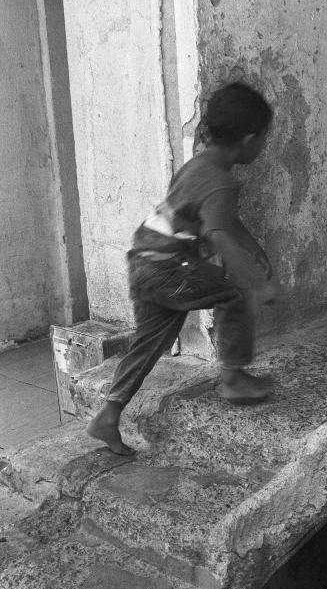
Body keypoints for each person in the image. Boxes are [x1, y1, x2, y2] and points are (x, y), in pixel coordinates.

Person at [87, 81, 282, 455]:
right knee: (236, 291)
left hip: (144, 260)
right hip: (169, 267)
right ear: (249, 139)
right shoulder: (220, 181)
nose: (264, 145)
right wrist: (258, 283)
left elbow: (226, 222)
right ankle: (234, 377)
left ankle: (108, 416)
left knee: (151, 340)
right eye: (265, 138)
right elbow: (219, 233)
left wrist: (254, 248)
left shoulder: (199, 166)